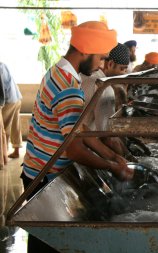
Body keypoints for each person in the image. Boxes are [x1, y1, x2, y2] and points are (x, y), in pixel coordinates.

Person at [21, 21, 134, 253]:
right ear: (85, 50)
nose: (102, 64)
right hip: (46, 176)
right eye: (101, 58)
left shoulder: (59, 72)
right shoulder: (69, 87)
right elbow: (73, 149)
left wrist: (112, 155)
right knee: (49, 243)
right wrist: (111, 166)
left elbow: (79, 130)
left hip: (36, 169)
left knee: (43, 238)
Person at [81, 42, 130, 156]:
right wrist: (129, 160)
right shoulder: (104, 87)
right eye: (122, 69)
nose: (124, 73)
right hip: (82, 148)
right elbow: (107, 137)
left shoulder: (82, 75)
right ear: (110, 64)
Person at [0, 62, 22, 158]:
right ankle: (16, 151)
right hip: (16, 97)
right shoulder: (2, 64)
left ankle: (3, 155)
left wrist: (1, 104)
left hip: (8, 100)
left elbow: (1, 88)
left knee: (3, 128)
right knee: (15, 125)